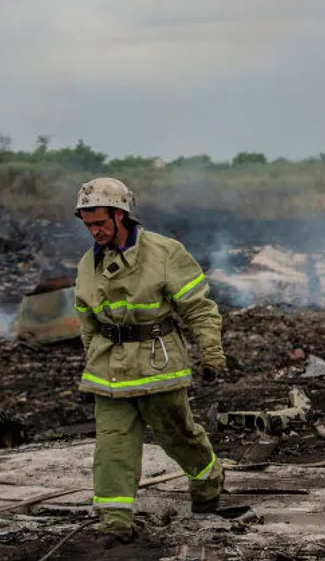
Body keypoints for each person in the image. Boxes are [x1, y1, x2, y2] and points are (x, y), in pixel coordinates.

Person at [72, 177, 227, 544]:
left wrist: (211, 351)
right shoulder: (86, 265)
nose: (94, 232)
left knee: (179, 436)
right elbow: (86, 322)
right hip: (109, 371)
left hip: (157, 365)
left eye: (100, 223)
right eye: (88, 224)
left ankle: (208, 483)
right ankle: (115, 524)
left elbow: (199, 309)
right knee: (112, 448)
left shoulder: (164, 253)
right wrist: (92, 362)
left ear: (121, 215)